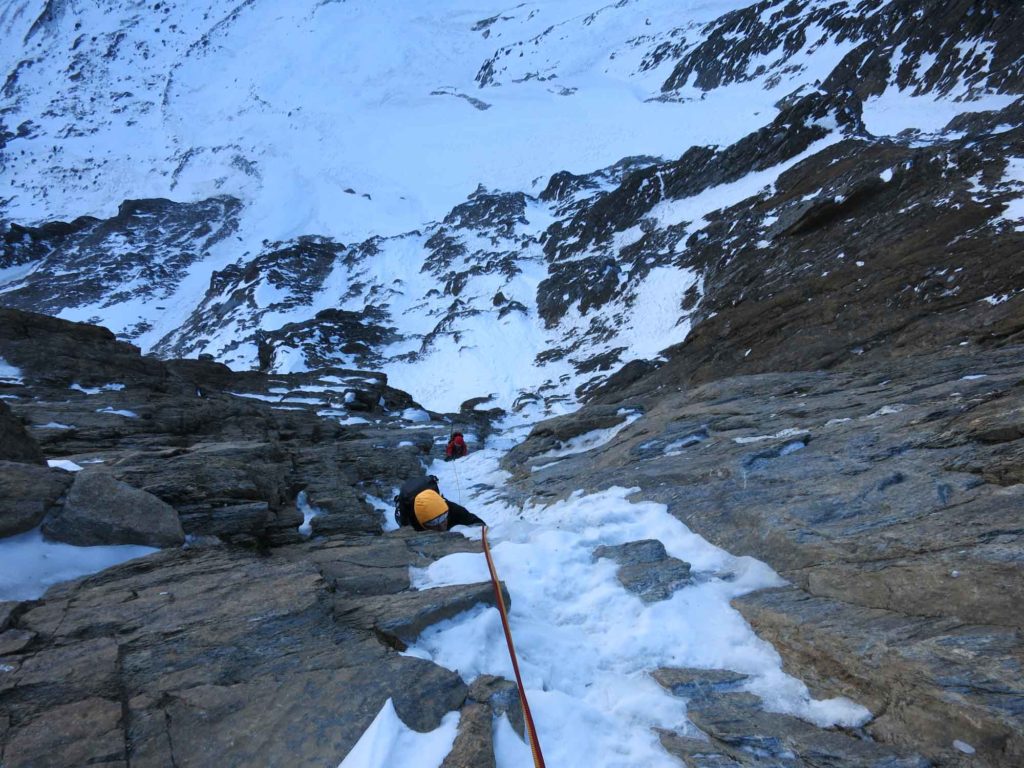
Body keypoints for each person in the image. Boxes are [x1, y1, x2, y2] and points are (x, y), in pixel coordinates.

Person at [394, 474, 485, 531]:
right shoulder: (412, 523)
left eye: (443, 517)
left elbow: (478, 524)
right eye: (432, 523)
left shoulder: (453, 510)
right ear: (422, 522)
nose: (441, 526)